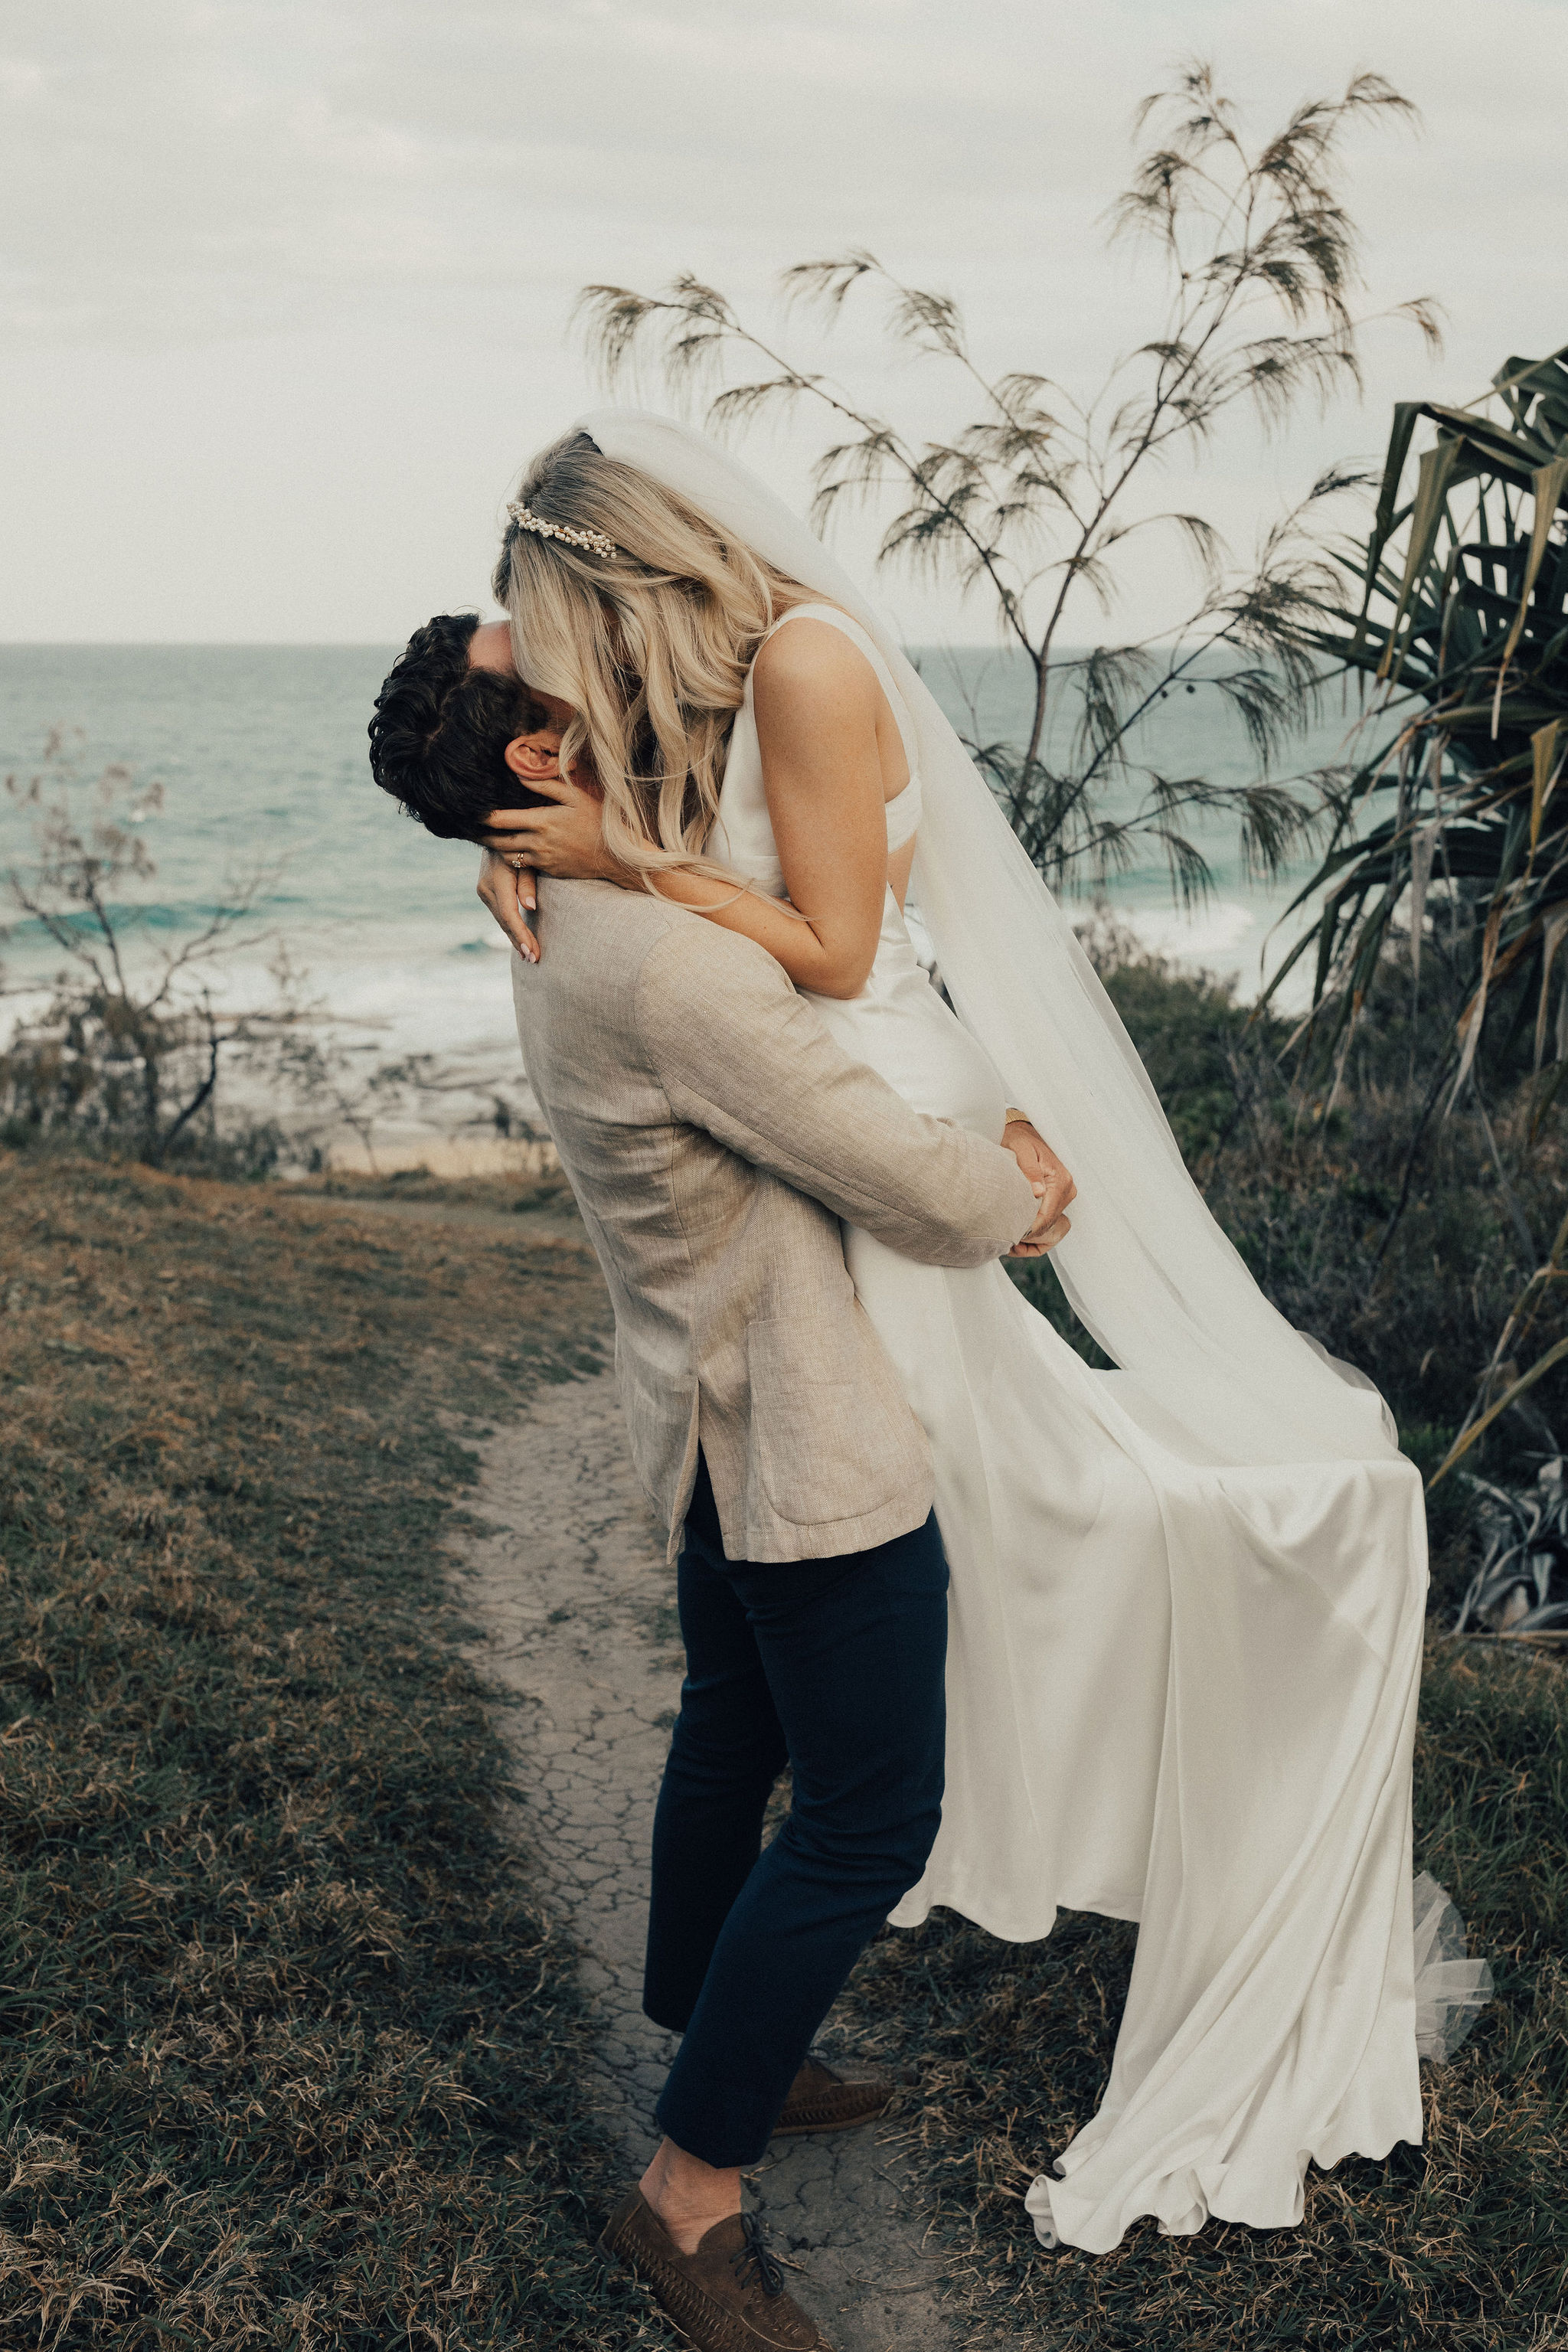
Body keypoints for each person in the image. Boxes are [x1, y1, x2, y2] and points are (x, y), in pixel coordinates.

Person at [368, 416, 1491, 2273]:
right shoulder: (626, 887)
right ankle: (690, 2185)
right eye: (528, 669)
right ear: (533, 758)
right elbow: (817, 1071)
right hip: (810, 1339)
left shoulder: (687, 781)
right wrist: (1001, 1192)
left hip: (749, 1316)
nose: (552, 662)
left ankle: (709, 2031)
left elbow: (816, 949)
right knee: (869, 1796)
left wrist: (577, 859)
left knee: (745, 1706)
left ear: (616, 590)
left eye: (547, 621)